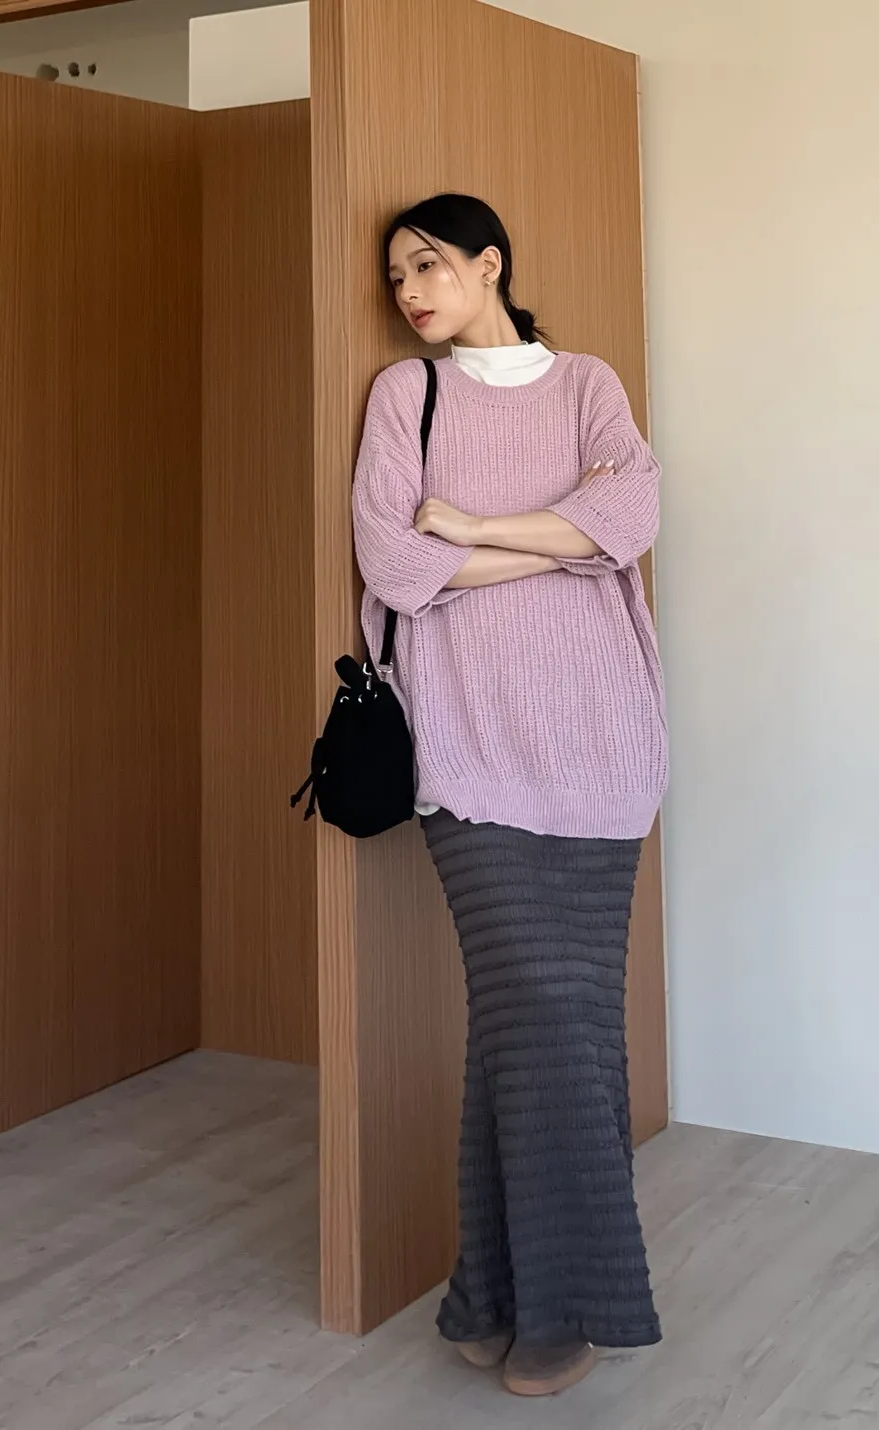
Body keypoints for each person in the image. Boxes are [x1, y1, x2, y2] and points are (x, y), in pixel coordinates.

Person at [352, 193, 668, 1398]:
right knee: (540, 1001)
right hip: (469, 742)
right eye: (396, 276)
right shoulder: (407, 395)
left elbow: (629, 518)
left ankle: (498, 1294)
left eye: (429, 265)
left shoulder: (585, 383)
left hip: (601, 738)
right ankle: (570, 1296)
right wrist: (558, 537)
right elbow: (393, 561)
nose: (410, 292)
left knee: (542, 1019)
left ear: (490, 264)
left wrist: (474, 530)